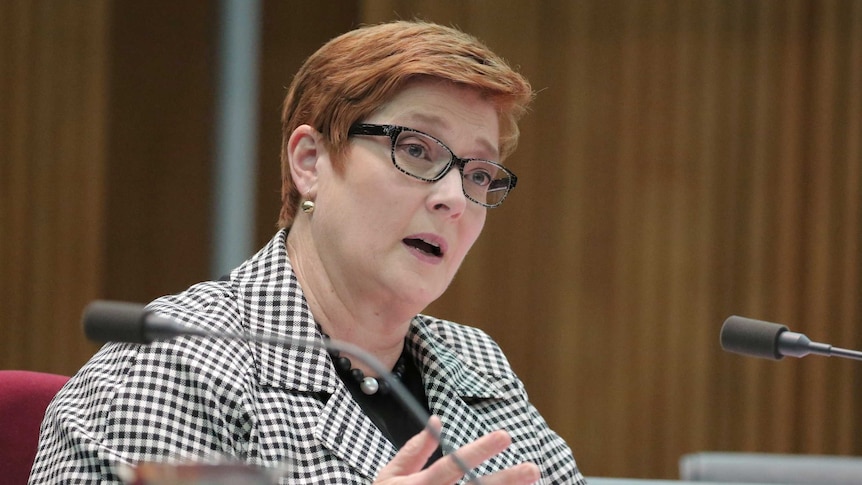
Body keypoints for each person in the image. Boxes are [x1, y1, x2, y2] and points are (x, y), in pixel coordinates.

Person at [30, 20, 587, 484]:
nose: (453, 199)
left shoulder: (475, 365)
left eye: (479, 172)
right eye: (416, 149)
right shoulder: (176, 365)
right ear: (310, 163)